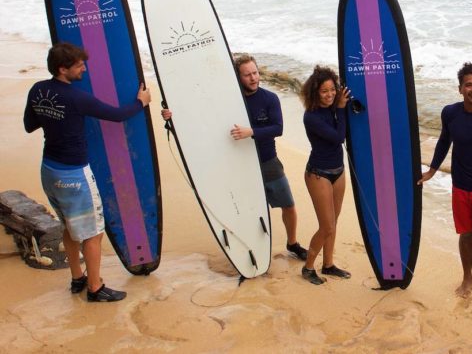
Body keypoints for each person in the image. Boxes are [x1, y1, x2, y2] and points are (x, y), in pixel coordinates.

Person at [23, 43, 151, 302]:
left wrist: (53, 118)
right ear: (62, 69)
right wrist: (141, 103)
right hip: (74, 175)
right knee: (93, 232)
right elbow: (116, 115)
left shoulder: (38, 90)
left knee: (70, 227)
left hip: (49, 171)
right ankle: (95, 287)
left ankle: (77, 277)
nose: (84, 68)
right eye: (79, 65)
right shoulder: (76, 98)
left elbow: (29, 125)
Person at [162, 55, 308, 260]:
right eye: (247, 75)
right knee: (247, 210)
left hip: (268, 161)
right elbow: (200, 115)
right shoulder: (228, 101)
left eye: (255, 73)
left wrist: (252, 132)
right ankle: (251, 247)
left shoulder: (269, 99)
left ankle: (292, 243)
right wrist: (171, 115)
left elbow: (278, 128)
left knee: (288, 205)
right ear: (238, 77)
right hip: (239, 164)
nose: (253, 78)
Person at [418, 62, 472, 301]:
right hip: (461, 185)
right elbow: (444, 141)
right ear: (460, 88)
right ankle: (467, 277)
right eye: (469, 85)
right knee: (465, 234)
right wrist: (432, 170)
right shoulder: (450, 113)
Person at [299, 65, 351, 285]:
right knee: (326, 226)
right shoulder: (311, 117)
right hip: (318, 174)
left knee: (334, 222)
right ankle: (308, 267)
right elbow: (339, 136)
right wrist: (340, 108)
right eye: (324, 91)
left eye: (332, 89)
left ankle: (328, 264)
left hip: (338, 171)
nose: (330, 95)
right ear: (315, 93)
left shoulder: (334, 106)